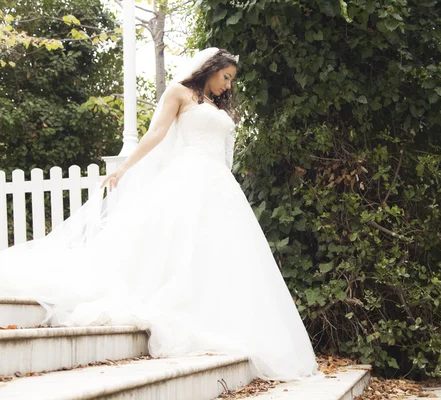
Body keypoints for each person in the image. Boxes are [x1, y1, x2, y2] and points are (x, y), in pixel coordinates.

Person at [0, 47, 319, 380]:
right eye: (226, 77)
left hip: (220, 185)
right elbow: (156, 133)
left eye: (231, 80)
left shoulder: (215, 107)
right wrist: (123, 169)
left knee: (219, 252)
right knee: (177, 246)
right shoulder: (179, 93)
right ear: (210, 68)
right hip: (189, 178)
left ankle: (214, 314)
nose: (228, 85)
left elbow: (225, 153)